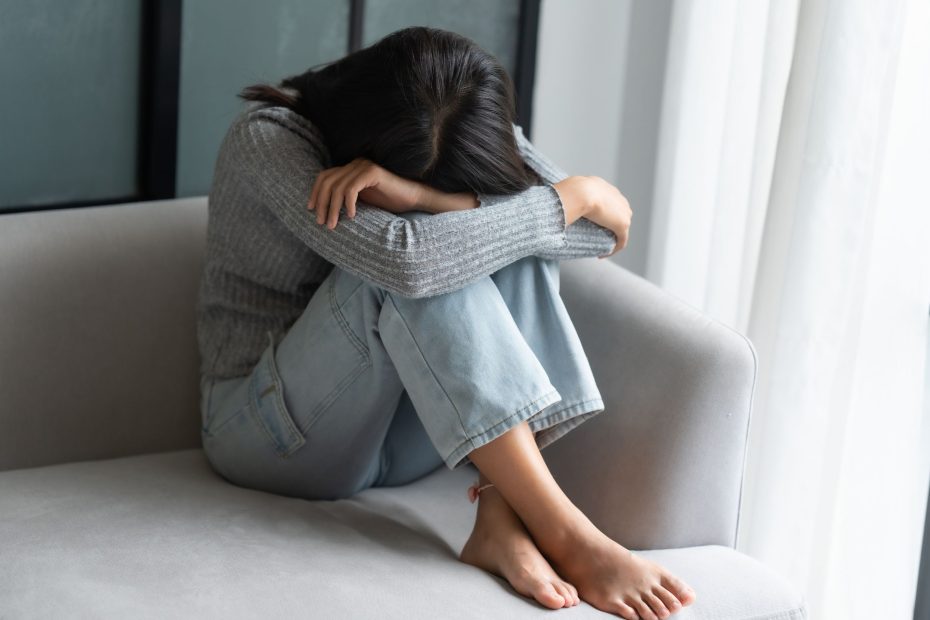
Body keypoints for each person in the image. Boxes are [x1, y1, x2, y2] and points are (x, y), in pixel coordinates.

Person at [196, 25, 695, 620]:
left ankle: (500, 518)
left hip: (416, 434)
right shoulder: (269, 140)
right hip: (270, 432)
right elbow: (408, 261)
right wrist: (572, 195)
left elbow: (601, 233)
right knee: (420, 258)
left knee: (509, 238)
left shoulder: (469, 124)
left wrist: (425, 199)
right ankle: (566, 532)